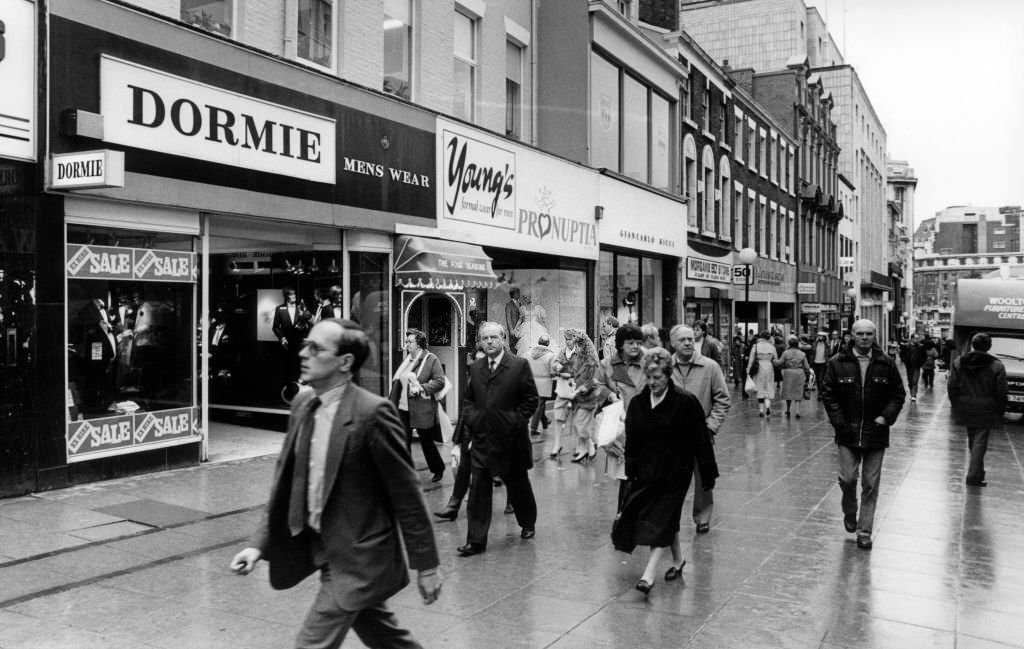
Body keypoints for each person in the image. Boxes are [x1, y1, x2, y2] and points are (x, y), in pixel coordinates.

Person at [230, 318, 441, 648]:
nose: (303, 353)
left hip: (358, 557)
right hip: (320, 546)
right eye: (305, 345)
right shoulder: (302, 404)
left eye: (315, 348)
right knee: (385, 636)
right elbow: (285, 484)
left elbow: (407, 494)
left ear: (345, 362)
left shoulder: (373, 413)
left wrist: (427, 566)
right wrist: (258, 544)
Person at [611, 347, 719, 595]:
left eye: (657, 378)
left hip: (676, 471)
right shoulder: (639, 403)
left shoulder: (685, 402)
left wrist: (707, 474)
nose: (652, 383)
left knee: (662, 516)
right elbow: (633, 440)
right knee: (664, 518)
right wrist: (630, 470)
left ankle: (648, 574)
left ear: (668, 375)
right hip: (648, 471)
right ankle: (678, 560)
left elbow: (700, 439)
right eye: (648, 377)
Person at [454, 322, 539, 556]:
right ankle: (476, 540)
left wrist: (514, 421)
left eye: (493, 337)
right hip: (483, 439)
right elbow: (469, 400)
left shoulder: (519, 365)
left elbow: (531, 399)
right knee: (479, 488)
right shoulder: (477, 367)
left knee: (518, 484)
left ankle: (527, 522)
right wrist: (473, 420)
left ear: (503, 339)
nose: (489, 341)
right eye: (485, 338)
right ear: (480, 341)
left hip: (512, 441)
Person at [821, 318, 906, 550]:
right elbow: (827, 394)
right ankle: (850, 510)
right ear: (852, 335)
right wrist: (839, 422)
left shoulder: (886, 363)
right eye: (860, 334)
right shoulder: (837, 363)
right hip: (847, 433)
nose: (865, 338)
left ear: (874, 335)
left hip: (876, 433)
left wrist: (885, 417)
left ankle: (864, 530)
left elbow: (898, 394)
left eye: (869, 333)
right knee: (848, 479)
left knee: (871, 483)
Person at [669, 325, 729, 534]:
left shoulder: (710, 367)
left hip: (701, 433)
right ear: (673, 344)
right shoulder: (666, 366)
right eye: (682, 340)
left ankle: (702, 517)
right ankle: (668, 516)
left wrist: (710, 427)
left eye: (690, 339)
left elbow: (723, 399)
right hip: (672, 434)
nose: (687, 343)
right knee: (669, 478)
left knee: (704, 478)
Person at [594, 323, 647, 511]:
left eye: (638, 342)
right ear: (620, 344)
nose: (635, 346)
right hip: (619, 426)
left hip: (644, 424)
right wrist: (609, 394)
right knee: (626, 475)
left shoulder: (648, 361)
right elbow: (597, 385)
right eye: (630, 342)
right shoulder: (607, 363)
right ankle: (624, 514)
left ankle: (629, 514)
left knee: (640, 473)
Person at [947, 333, 1008, 487]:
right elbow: (1001, 391)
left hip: (965, 405)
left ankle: (978, 473)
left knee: (973, 439)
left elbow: (952, 386)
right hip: (987, 407)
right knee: (980, 441)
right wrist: (1000, 410)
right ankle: (974, 476)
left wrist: (956, 404)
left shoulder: (959, 362)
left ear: (973, 345)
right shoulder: (997, 366)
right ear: (989, 346)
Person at [388, 329, 446, 483]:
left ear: (419, 344)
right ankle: (404, 471)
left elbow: (440, 381)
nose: (407, 344)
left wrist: (422, 387)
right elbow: (398, 383)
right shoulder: (408, 360)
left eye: (410, 342)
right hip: (403, 407)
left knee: (426, 441)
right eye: (406, 341)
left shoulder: (431, 359)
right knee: (402, 440)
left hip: (422, 409)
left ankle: (438, 468)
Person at [551, 328, 600, 462]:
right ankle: (559, 445)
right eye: (566, 339)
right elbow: (556, 363)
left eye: (570, 339)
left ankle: (585, 447)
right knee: (560, 415)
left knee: (579, 421)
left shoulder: (585, 355)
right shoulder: (563, 352)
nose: (567, 342)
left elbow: (591, 375)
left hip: (580, 392)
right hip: (565, 390)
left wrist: (580, 382)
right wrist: (558, 368)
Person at [525, 334, 555, 438]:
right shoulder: (550, 355)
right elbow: (552, 372)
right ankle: (533, 428)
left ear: (539, 342)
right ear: (548, 343)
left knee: (539, 404)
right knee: (540, 404)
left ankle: (545, 421)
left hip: (532, 382)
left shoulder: (529, 353)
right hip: (544, 383)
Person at [775, 336, 812, 418]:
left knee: (788, 392)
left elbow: (779, 362)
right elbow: (806, 366)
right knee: (798, 392)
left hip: (788, 373)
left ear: (789, 344)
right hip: (799, 373)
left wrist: (773, 360)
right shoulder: (802, 353)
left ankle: (788, 410)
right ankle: (798, 411)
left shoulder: (786, 352)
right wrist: (808, 374)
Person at [747, 331, 779, 416]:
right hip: (769, 366)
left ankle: (761, 410)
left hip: (759, 367)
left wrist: (748, 368)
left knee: (760, 387)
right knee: (768, 386)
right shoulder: (772, 346)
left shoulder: (756, 346)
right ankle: (768, 406)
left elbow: (751, 358)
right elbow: (776, 359)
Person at [899, 333, 926, 402]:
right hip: (909, 366)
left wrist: (921, 363)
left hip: (917, 366)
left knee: (915, 381)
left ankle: (914, 395)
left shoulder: (921, 347)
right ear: (912, 339)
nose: (917, 340)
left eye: (918, 338)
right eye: (915, 338)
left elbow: (924, 356)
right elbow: (902, 354)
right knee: (910, 381)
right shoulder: (907, 347)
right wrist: (905, 361)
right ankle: (912, 393)